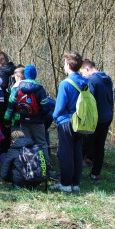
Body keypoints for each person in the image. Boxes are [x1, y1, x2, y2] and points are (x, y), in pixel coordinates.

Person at [4, 65, 53, 172]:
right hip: (37, 122)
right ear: (35, 75)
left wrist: (7, 120)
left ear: (25, 75)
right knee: (41, 144)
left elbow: (10, 106)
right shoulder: (40, 89)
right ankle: (46, 168)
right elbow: (46, 107)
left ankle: (26, 169)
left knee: (24, 145)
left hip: (21, 121)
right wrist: (42, 118)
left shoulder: (17, 88)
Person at [50, 52, 87, 193]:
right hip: (81, 123)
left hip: (67, 122)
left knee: (65, 154)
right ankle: (75, 183)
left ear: (69, 65)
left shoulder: (66, 84)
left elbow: (59, 108)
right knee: (77, 153)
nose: (64, 66)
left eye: (65, 63)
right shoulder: (85, 82)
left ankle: (65, 184)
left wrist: (54, 117)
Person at [79, 59, 114, 180]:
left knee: (84, 144)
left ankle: (75, 172)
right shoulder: (107, 78)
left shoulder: (92, 80)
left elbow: (89, 101)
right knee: (99, 146)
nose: (83, 76)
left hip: (96, 119)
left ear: (87, 68)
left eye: (83, 73)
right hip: (107, 116)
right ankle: (95, 173)